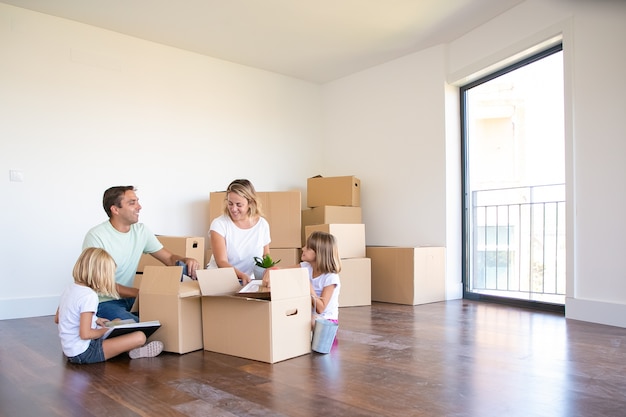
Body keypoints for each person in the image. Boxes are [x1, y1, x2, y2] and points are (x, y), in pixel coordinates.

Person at [83, 186, 200, 322]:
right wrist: (141, 293)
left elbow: (169, 258)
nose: (139, 207)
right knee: (137, 325)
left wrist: (186, 260)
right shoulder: (96, 236)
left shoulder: (141, 231)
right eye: (132, 203)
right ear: (115, 209)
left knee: (168, 321)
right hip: (103, 302)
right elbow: (100, 283)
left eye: (137, 201)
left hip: (131, 298)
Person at [55, 247, 164, 364]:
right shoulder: (89, 296)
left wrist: (96, 319)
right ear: (99, 275)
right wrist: (105, 330)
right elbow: (85, 334)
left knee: (117, 321)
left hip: (70, 350)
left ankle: (130, 349)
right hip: (85, 352)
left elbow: (58, 318)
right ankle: (133, 349)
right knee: (140, 336)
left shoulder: (69, 289)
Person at [263, 231, 341, 323]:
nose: (303, 248)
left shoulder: (330, 277)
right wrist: (271, 269)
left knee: (308, 321)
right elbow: (282, 270)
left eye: (308, 248)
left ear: (319, 253)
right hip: (308, 314)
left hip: (326, 321)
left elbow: (320, 309)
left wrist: (307, 285)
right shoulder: (306, 266)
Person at [207, 179, 271, 284]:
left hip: (249, 281)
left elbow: (266, 255)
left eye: (239, 205)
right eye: (230, 203)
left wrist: (269, 270)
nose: (233, 209)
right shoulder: (219, 224)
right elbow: (221, 262)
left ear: (250, 203)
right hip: (220, 280)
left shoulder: (262, 225)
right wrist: (241, 276)